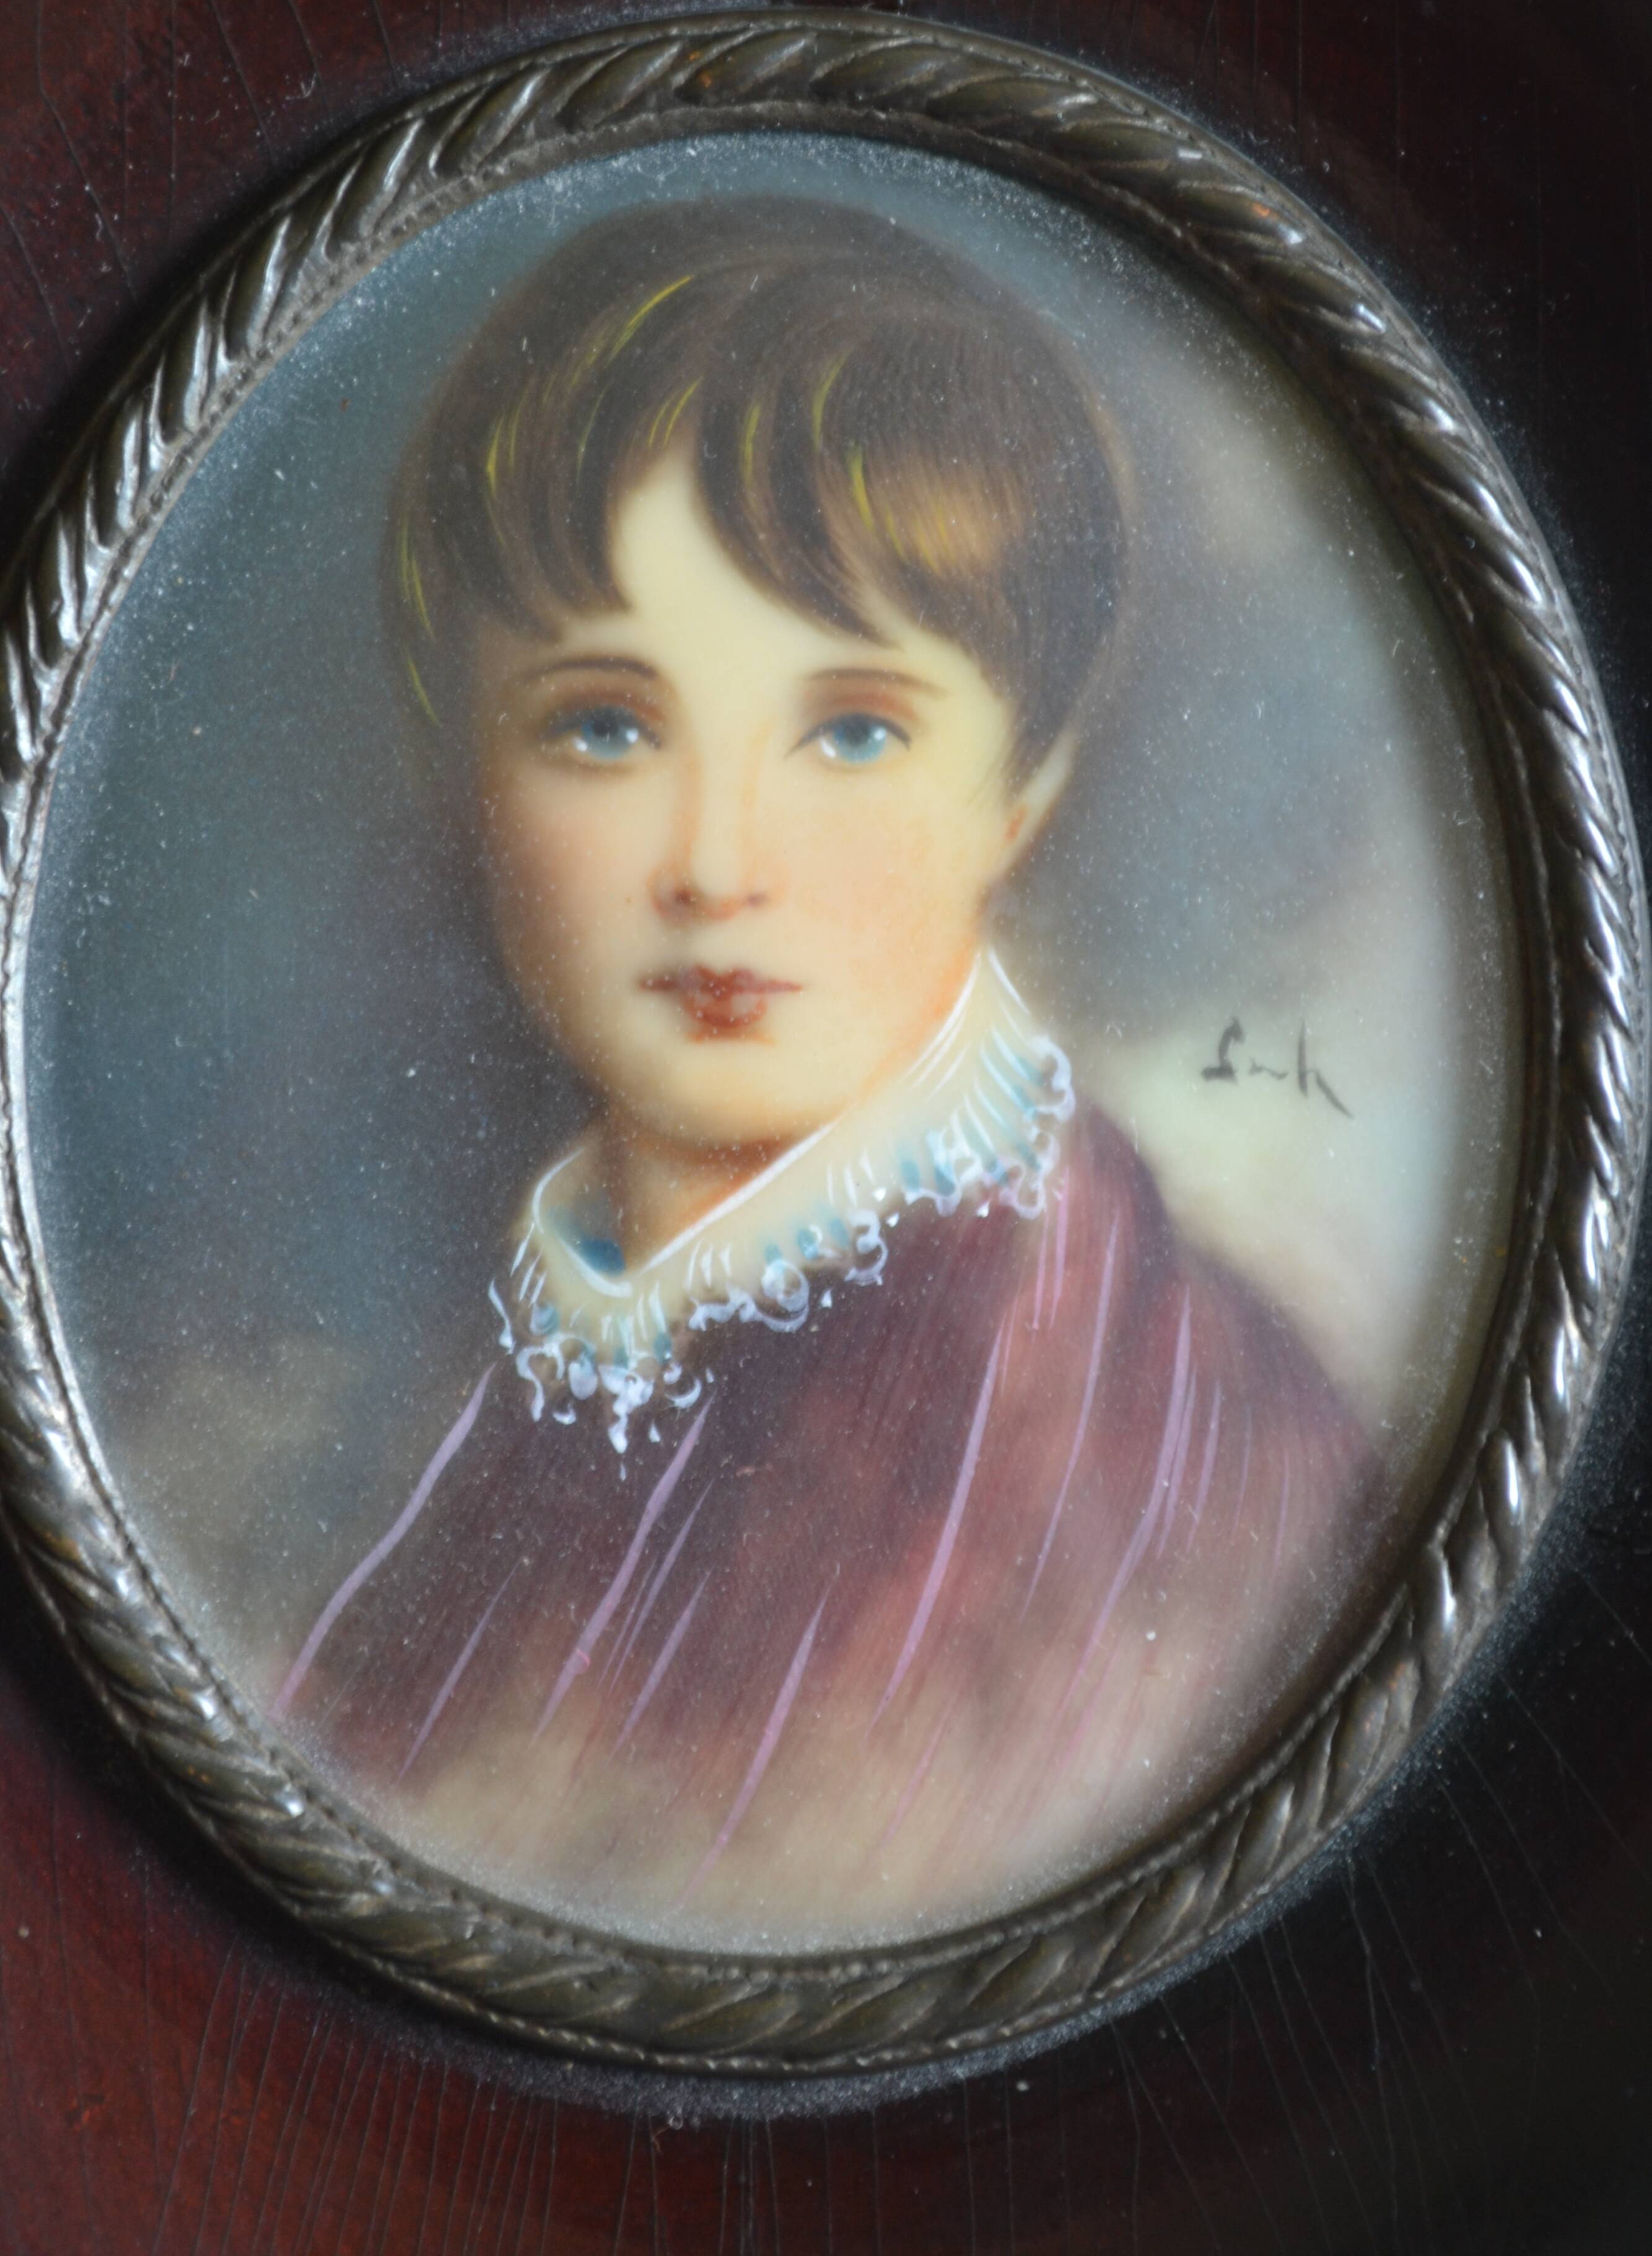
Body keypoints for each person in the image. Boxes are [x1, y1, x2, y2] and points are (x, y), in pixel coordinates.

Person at [268, 196, 1385, 1952]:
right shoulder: (585, 1330)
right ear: (470, 777)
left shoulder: (1120, 1412)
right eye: (606, 724)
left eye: (851, 729)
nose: (718, 864)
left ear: (1013, 793)